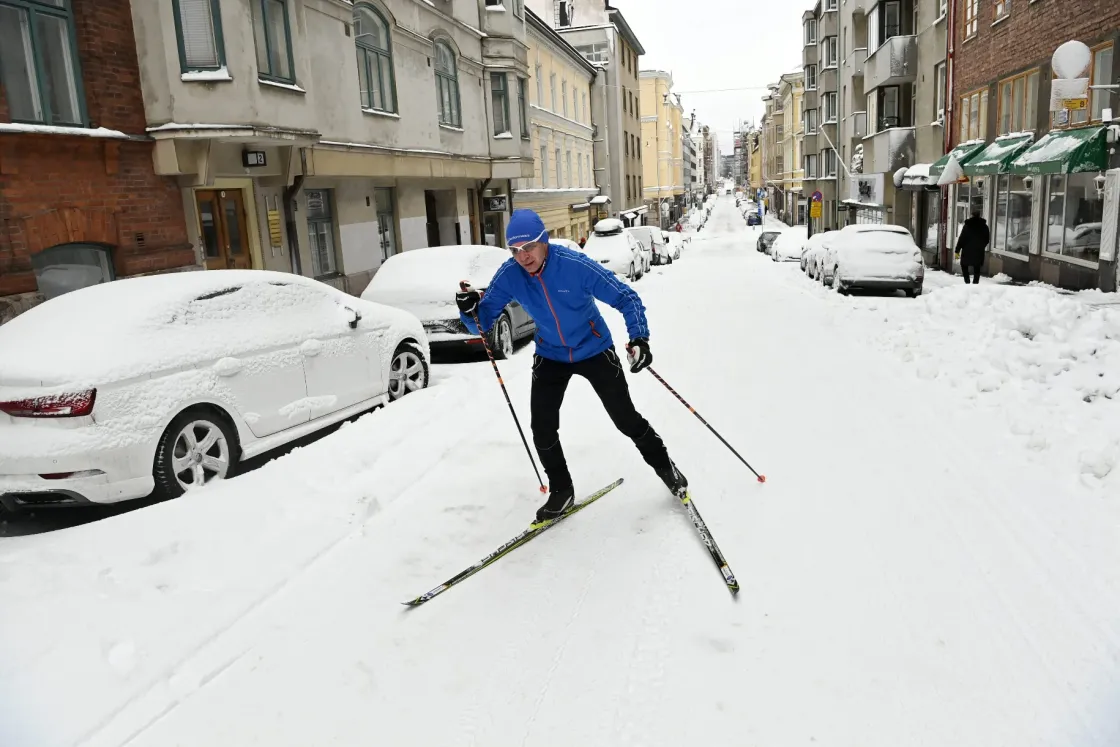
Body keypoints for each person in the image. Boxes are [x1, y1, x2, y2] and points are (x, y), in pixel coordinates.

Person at [455, 209, 687, 524]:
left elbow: (626, 298)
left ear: (544, 242)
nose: (523, 257)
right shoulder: (510, 274)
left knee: (626, 419)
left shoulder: (575, 266)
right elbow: (482, 324)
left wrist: (640, 339)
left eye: (529, 248)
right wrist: (469, 310)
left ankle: (666, 467)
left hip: (594, 348)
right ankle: (561, 490)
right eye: (516, 250)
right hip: (551, 354)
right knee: (542, 427)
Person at [955, 207, 990, 284]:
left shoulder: (967, 226)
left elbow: (962, 239)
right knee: (977, 267)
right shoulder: (984, 226)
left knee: (964, 265)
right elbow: (987, 239)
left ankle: (967, 282)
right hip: (979, 251)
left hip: (967, 251)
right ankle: (975, 283)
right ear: (979, 215)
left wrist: (957, 250)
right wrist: (981, 246)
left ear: (972, 215)